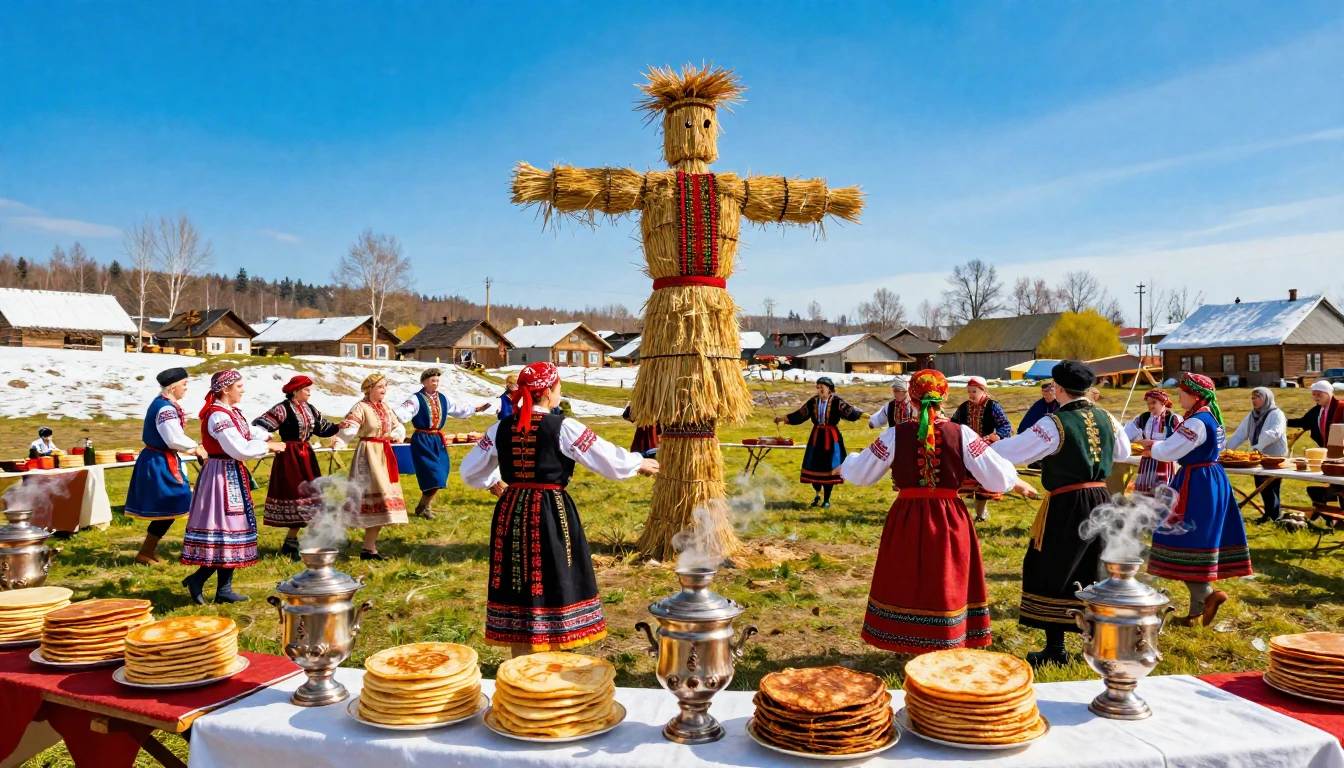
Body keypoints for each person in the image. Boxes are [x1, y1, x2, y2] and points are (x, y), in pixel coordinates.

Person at [460, 362, 658, 657]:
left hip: (512, 510)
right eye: (558, 387)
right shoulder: (562, 426)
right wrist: (638, 462)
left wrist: (494, 483)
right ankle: (549, 662)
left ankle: (522, 662)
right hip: (549, 511)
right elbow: (603, 457)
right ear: (550, 391)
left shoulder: (500, 427)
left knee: (519, 582)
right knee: (552, 576)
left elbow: (469, 471)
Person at [841, 369, 1035, 653]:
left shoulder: (896, 434)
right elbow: (996, 478)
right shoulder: (963, 434)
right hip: (949, 516)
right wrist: (1013, 480)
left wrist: (847, 464)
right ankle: (946, 638)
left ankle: (907, 640)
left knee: (908, 575)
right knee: (947, 576)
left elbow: (861, 474)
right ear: (944, 397)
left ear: (912, 398)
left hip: (907, 515)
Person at [993, 361, 1130, 667]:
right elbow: (1122, 453)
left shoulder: (1054, 423)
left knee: (1054, 568)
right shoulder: (1107, 417)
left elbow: (1011, 452)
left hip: (1069, 502)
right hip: (1102, 498)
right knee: (1096, 569)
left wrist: (979, 445)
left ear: (1056, 388)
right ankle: (1100, 643)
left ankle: (1055, 649)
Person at [1148, 373, 1252, 626]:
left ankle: (1207, 594)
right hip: (1209, 478)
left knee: (1183, 537)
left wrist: (1148, 444)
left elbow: (1167, 451)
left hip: (1197, 483)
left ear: (1194, 395)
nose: (1178, 396)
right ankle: (1197, 608)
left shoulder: (1196, 421)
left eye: (1182, 392)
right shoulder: (1210, 417)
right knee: (1196, 539)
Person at [180, 370, 284, 604]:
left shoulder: (232, 413)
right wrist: (269, 447)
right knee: (223, 529)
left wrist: (270, 437)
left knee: (232, 527)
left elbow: (249, 432)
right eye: (239, 385)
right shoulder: (218, 416)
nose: (242, 390)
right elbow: (239, 448)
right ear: (226, 389)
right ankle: (200, 579)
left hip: (230, 473)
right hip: (219, 476)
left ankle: (223, 589)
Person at [252, 375, 341, 559]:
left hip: (306, 455)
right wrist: (269, 440)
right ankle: (293, 543)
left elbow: (322, 429)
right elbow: (259, 425)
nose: (310, 392)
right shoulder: (282, 409)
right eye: (307, 389)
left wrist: (340, 426)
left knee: (311, 496)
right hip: (289, 457)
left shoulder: (310, 408)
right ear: (295, 391)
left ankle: (299, 541)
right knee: (295, 494)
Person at [126, 368, 208, 565]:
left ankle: (147, 551)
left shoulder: (164, 405)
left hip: (161, 459)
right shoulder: (165, 409)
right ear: (173, 386)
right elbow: (173, 438)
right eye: (184, 384)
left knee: (172, 506)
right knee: (176, 502)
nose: (185, 389)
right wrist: (196, 448)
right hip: (160, 461)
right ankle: (197, 548)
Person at [394, 368, 490, 520]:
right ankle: (424, 507)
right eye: (433, 381)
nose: (436, 384)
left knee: (441, 473)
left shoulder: (444, 398)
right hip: (423, 440)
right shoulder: (416, 399)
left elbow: (458, 409)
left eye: (437, 381)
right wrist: (392, 422)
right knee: (432, 475)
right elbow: (401, 413)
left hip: (437, 440)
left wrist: (476, 409)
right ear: (424, 381)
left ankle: (422, 506)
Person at [332, 373, 407, 561]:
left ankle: (369, 548)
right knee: (367, 499)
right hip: (368, 455)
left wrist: (396, 434)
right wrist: (340, 441)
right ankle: (336, 538)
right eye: (380, 386)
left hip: (383, 453)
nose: (384, 390)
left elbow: (398, 427)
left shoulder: (386, 407)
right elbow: (349, 429)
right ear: (369, 389)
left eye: (385, 386)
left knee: (382, 502)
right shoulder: (360, 407)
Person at [775, 377, 865, 508]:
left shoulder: (837, 402)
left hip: (831, 438)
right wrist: (784, 418)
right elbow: (800, 414)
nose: (819, 389)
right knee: (813, 466)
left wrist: (860, 415)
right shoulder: (813, 402)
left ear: (829, 388)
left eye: (822, 386)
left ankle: (826, 499)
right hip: (816, 438)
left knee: (829, 468)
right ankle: (817, 494)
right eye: (817, 387)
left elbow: (849, 412)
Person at [951, 376, 1013, 522]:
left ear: (983, 390)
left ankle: (980, 515)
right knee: (963, 482)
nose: (971, 395)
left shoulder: (992, 406)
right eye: (969, 392)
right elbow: (953, 423)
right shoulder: (964, 407)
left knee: (982, 483)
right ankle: (959, 515)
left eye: (974, 391)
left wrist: (996, 436)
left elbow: (1005, 425)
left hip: (986, 449)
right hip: (966, 450)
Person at [1224, 387, 1287, 523]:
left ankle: (1274, 516)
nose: (1254, 400)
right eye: (1252, 397)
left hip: (1274, 457)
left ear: (1266, 399)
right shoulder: (1252, 416)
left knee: (1271, 485)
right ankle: (1270, 515)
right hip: (1258, 457)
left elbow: (1274, 433)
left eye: (1257, 397)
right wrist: (1227, 450)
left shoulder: (1277, 414)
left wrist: (1258, 447)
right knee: (1261, 485)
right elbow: (1240, 434)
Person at [1287, 380, 1344, 510]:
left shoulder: (1341, 408)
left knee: (1339, 484)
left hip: (1341, 455)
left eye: (1319, 395)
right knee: (1333, 484)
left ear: (1328, 394)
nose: (1316, 398)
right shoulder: (1317, 411)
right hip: (1327, 455)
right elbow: (1303, 422)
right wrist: (1281, 421)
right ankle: (1333, 515)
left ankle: (1337, 515)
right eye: (1314, 395)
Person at [1125, 390, 1182, 494]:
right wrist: (1141, 442)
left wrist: (1157, 445)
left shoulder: (1173, 419)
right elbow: (1126, 433)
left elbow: (1180, 440)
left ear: (1163, 402)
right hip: (1147, 459)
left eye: (1154, 402)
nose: (1150, 406)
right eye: (1148, 403)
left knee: (1162, 491)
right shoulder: (1144, 418)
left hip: (1164, 460)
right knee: (1144, 490)